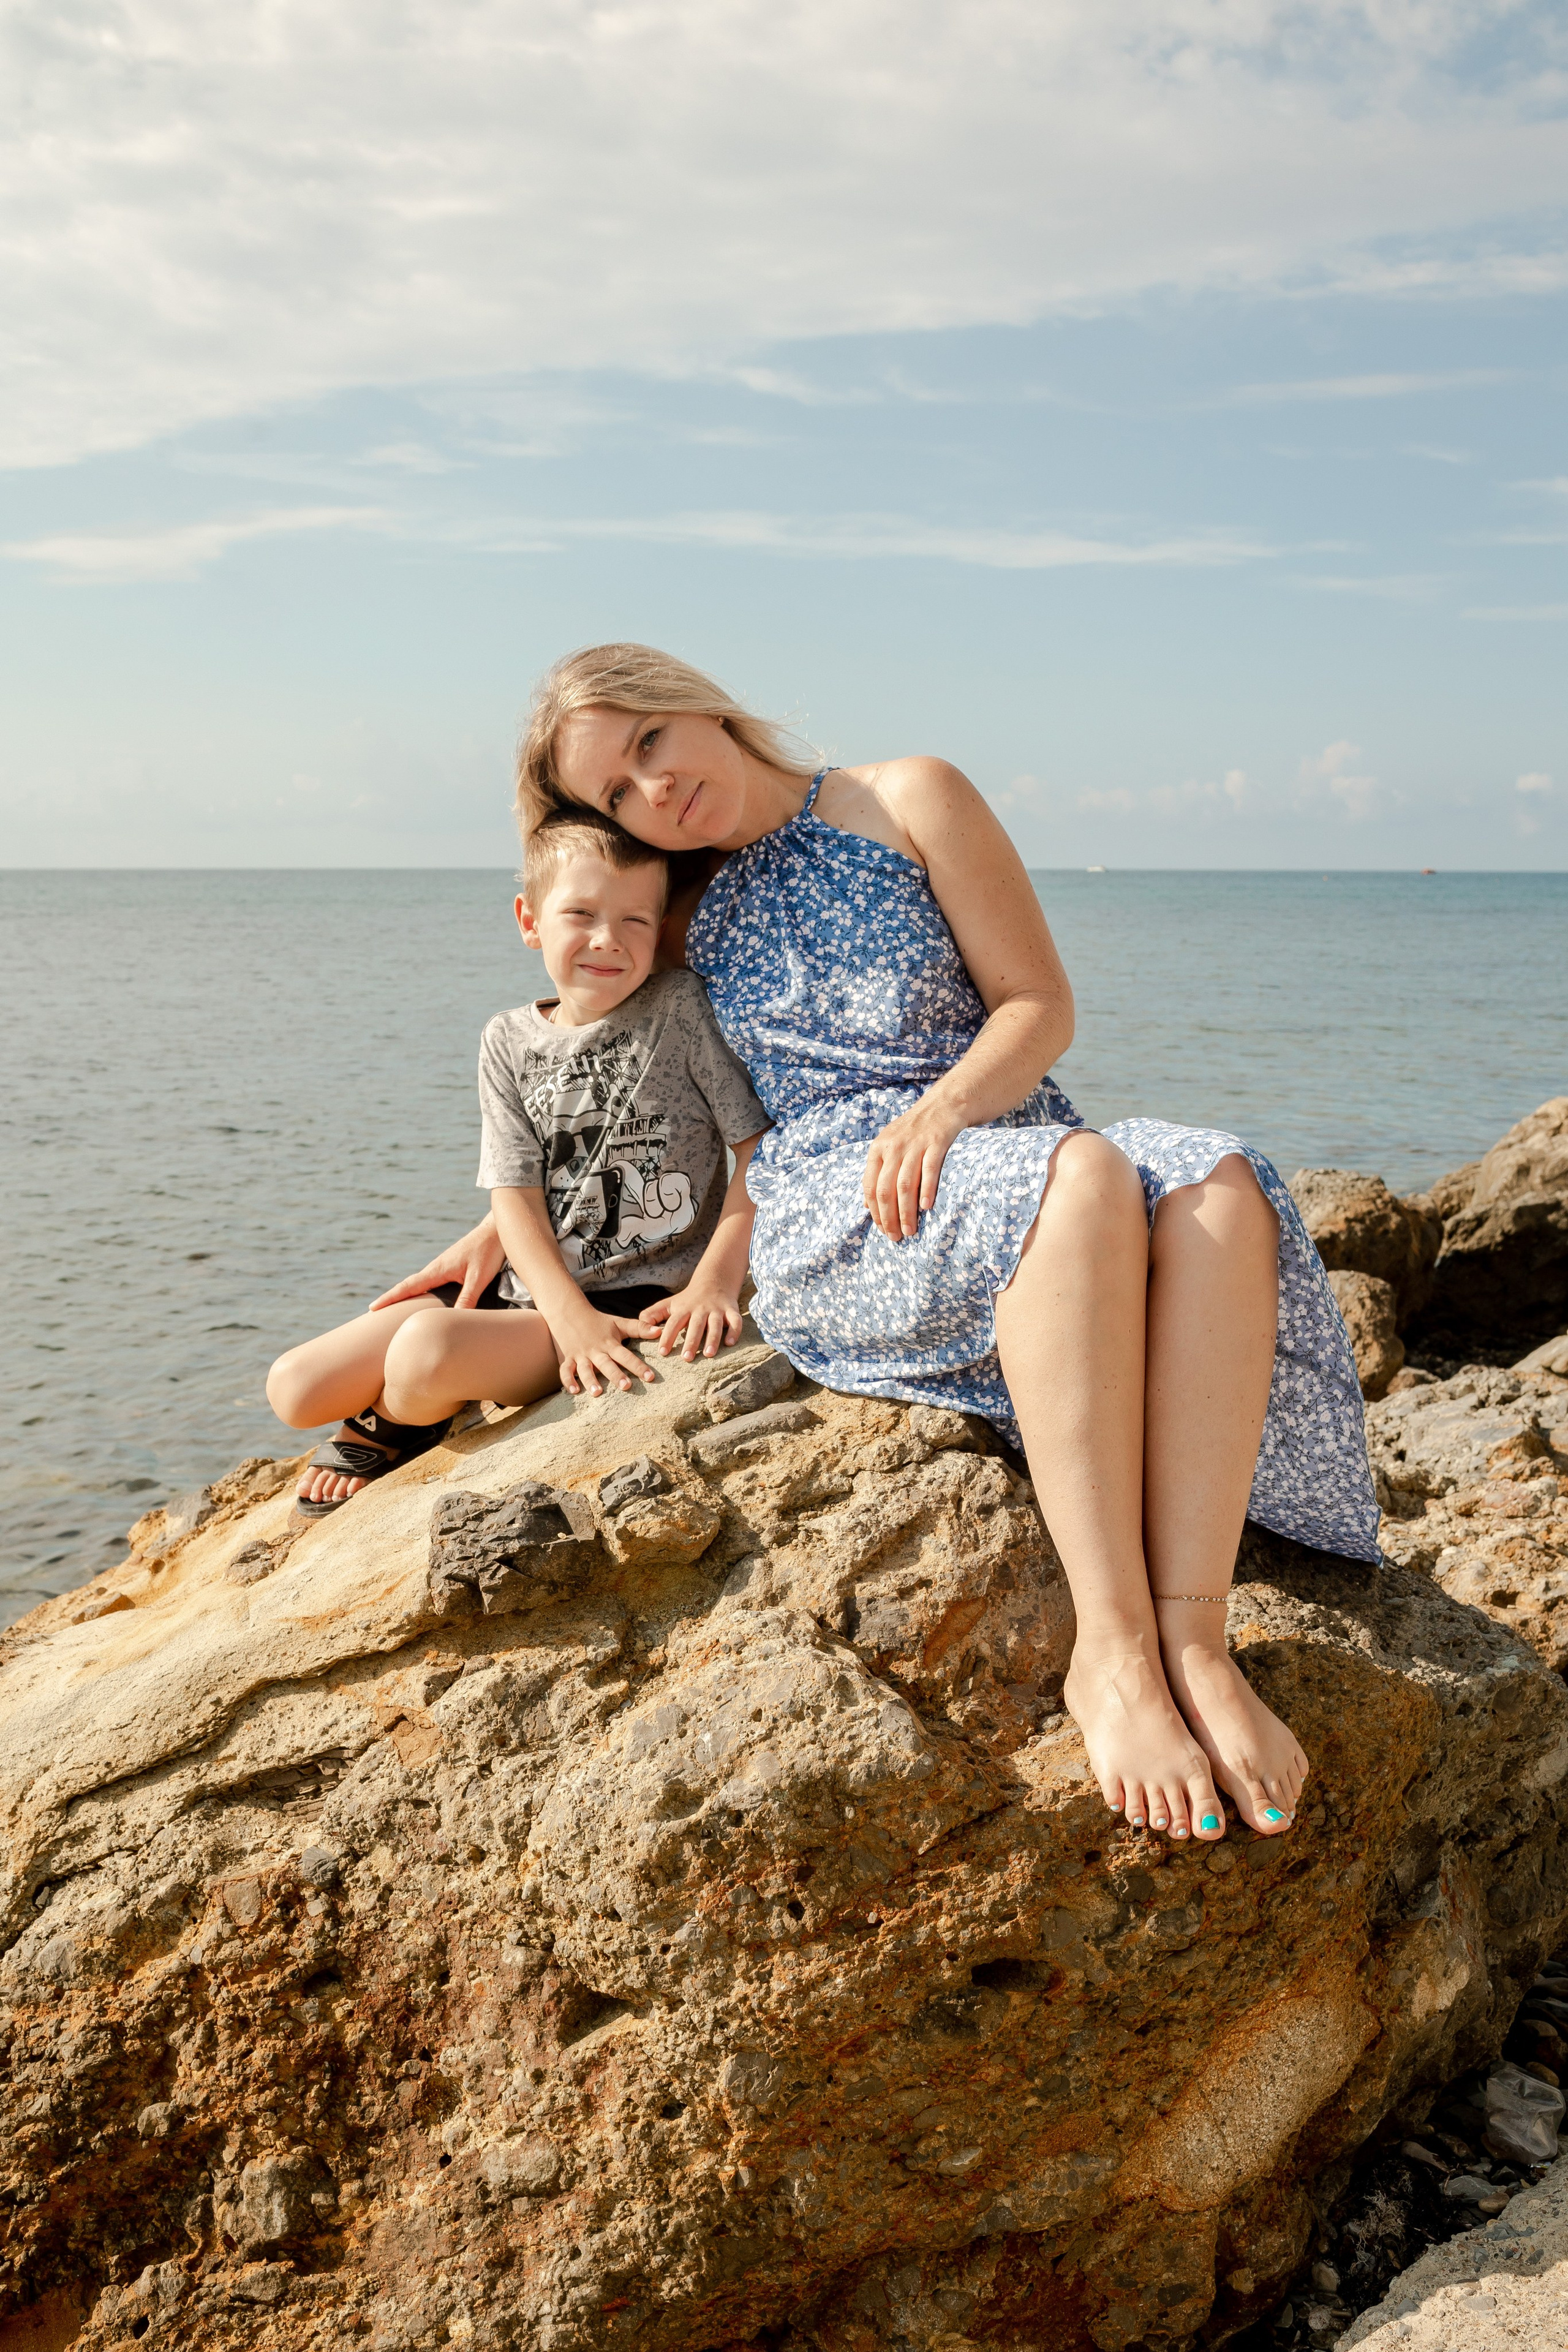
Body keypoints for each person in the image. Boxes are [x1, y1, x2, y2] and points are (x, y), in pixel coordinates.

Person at [377, 645, 1382, 1846]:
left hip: (995, 1130)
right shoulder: (682, 911)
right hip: (837, 1197)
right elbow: (609, 1090)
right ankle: (1109, 1660)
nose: (654, 791)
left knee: (1215, 1178)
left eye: (650, 743)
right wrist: (494, 1229)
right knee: (1086, 1182)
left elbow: (1037, 1006)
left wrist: (946, 1110)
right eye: (617, 794)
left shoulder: (911, 797)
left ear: (693, 702)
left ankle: (1192, 1640)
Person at [266, 807, 768, 1515]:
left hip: (627, 1301)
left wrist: (718, 1281)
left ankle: (398, 1421)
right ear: (530, 921)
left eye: (635, 920)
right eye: (581, 913)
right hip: (530, 1289)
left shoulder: (680, 1010)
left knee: (422, 1355)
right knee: (293, 1386)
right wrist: (565, 1317)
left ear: (661, 931)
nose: (607, 939)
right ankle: (427, 1394)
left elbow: (759, 1150)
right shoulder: (506, 1039)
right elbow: (515, 1194)